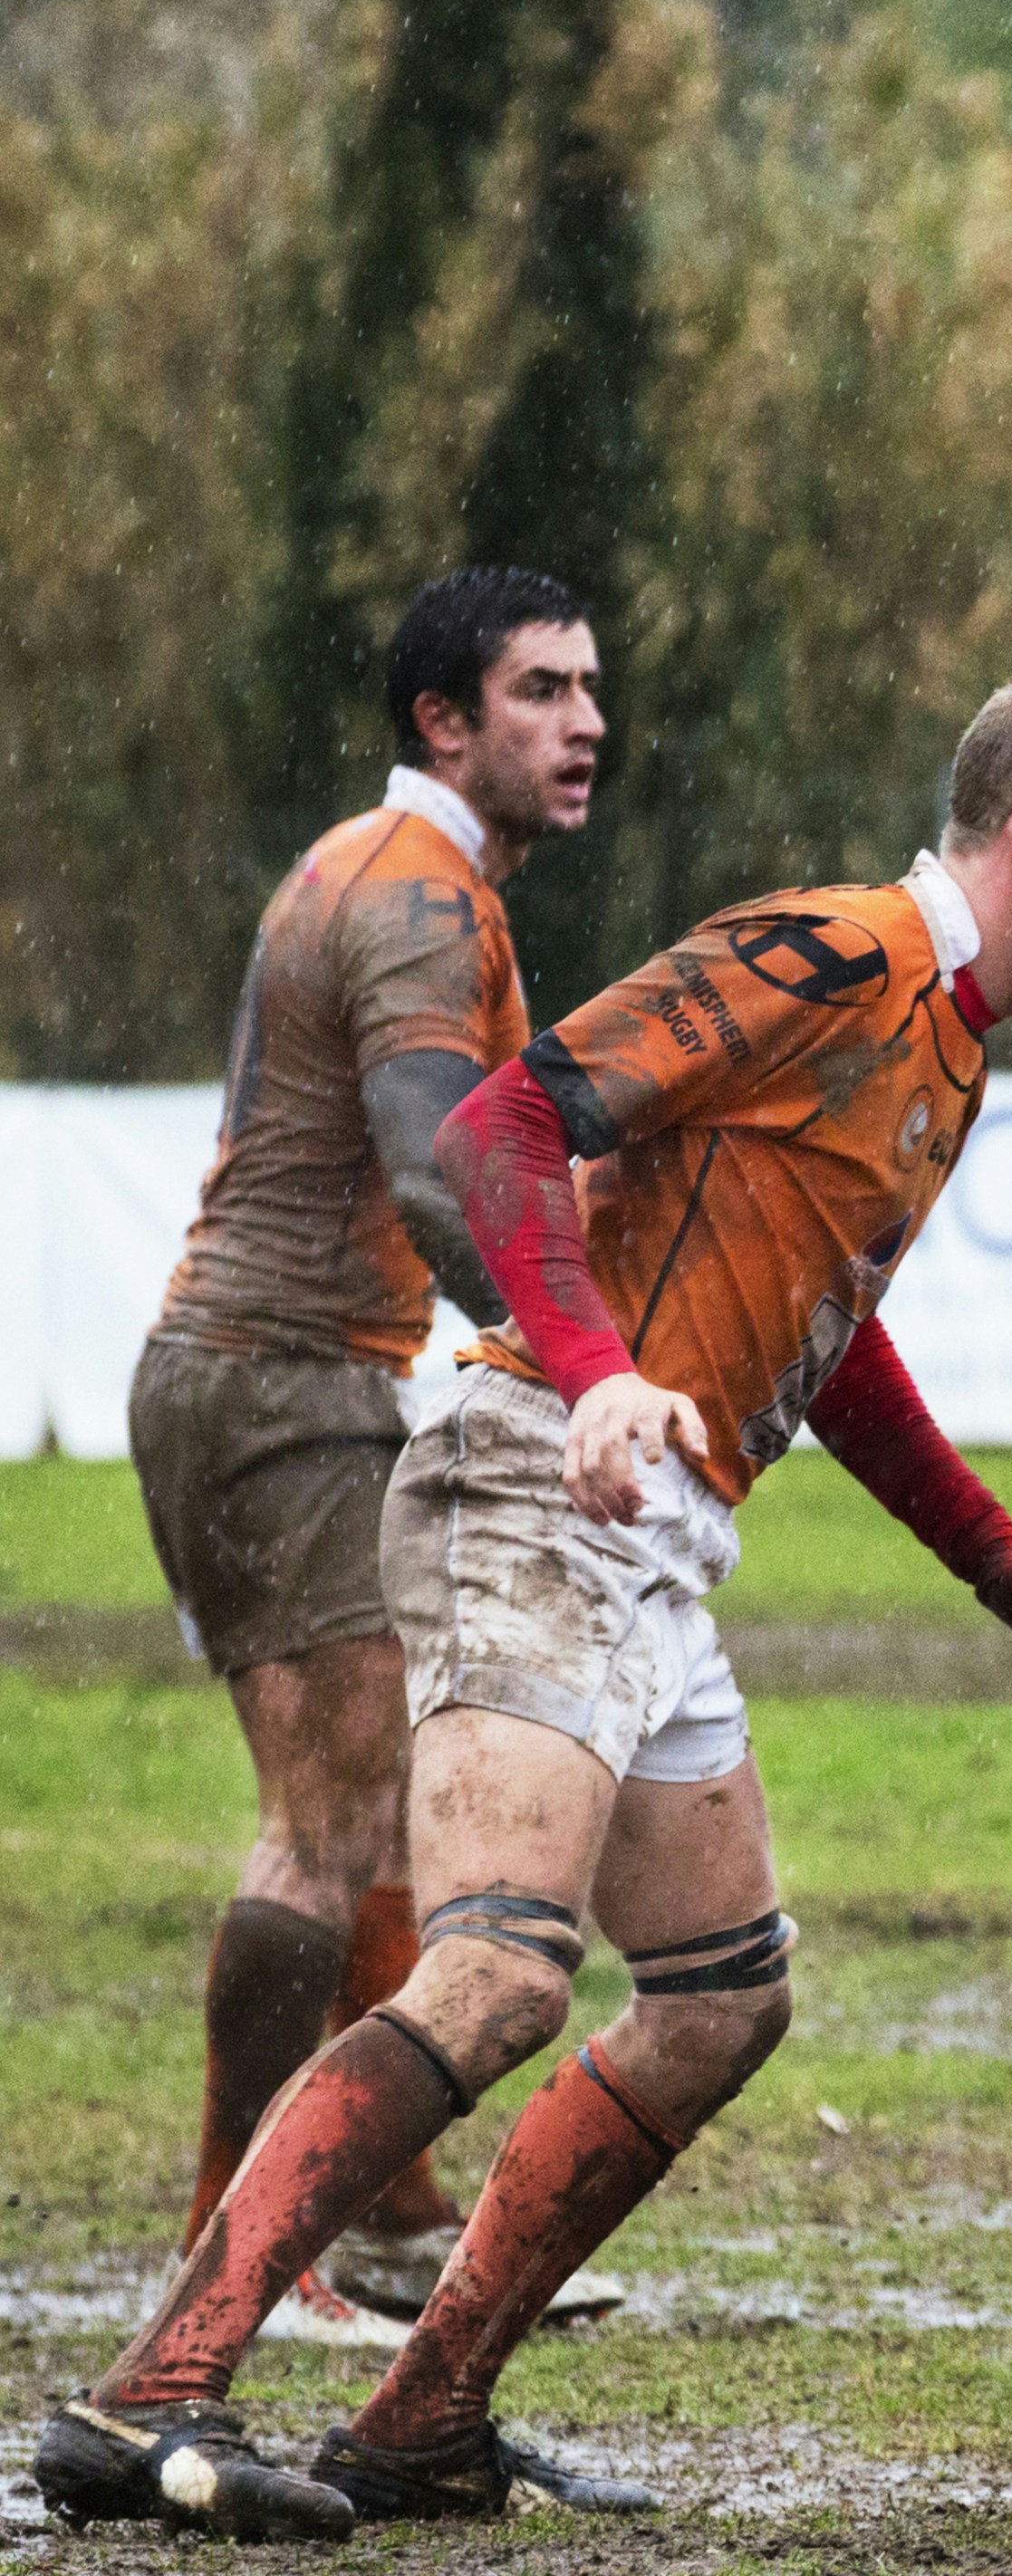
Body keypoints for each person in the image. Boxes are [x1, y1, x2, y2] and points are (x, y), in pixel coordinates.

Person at [39, 665, 1012, 2540]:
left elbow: (829, 1334)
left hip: (648, 1525)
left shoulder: (948, 1036)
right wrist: (588, 1372)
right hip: (532, 1478)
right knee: (494, 1974)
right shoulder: (831, 953)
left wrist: (1003, 1557)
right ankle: (149, 2392)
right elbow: (501, 1127)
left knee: (727, 1997)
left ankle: (422, 2420)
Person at [128, 569, 609, 2331]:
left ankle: (388, 2207)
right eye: (543, 690)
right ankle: (238, 2238)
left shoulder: (389, 870)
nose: (586, 723)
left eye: (587, 689)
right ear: (444, 721)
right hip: (275, 1385)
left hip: (277, 1378)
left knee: (401, 1778)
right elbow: (433, 1160)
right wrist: (581, 1363)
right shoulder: (411, 897)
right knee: (321, 1825)